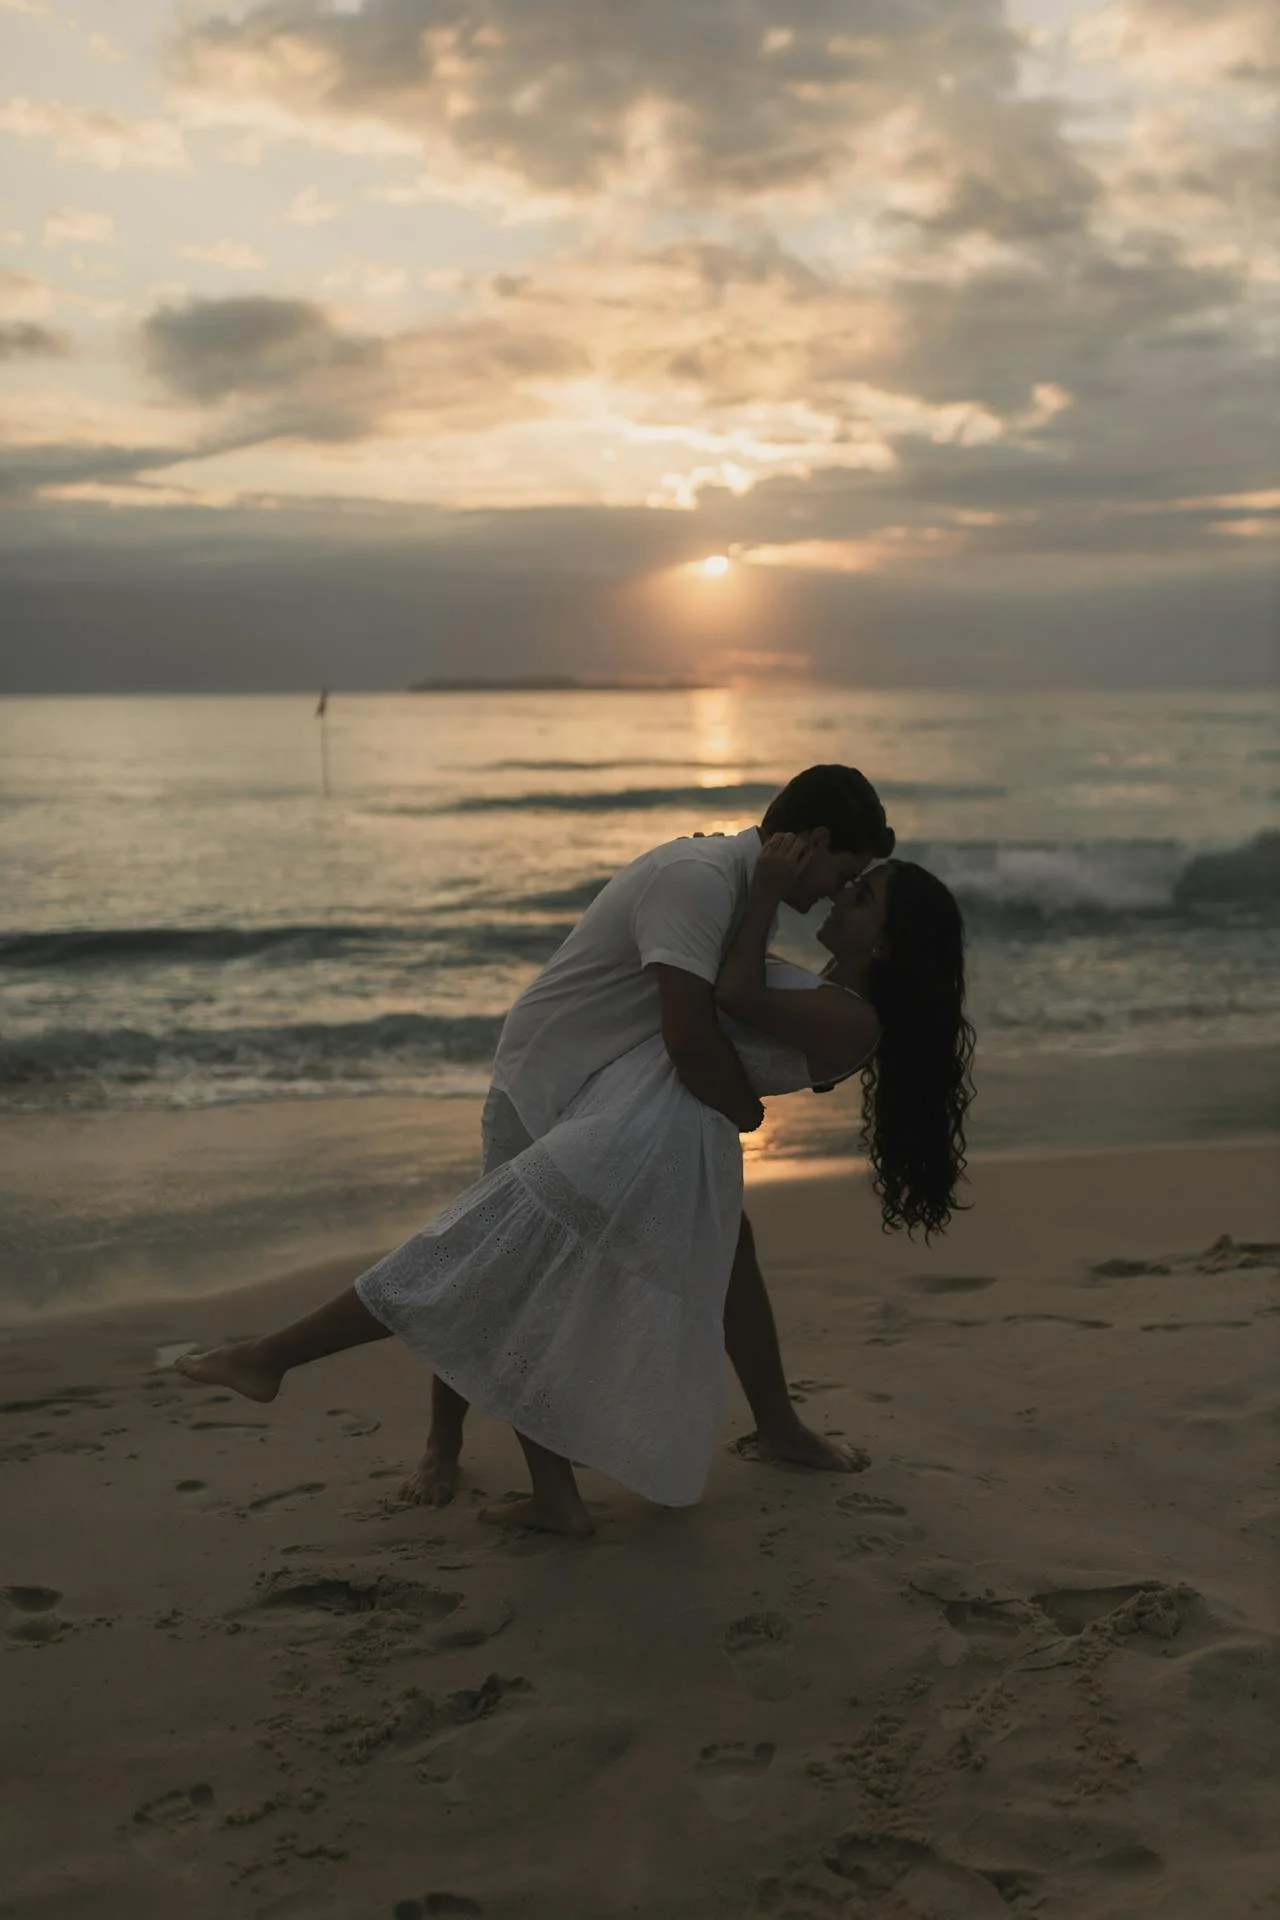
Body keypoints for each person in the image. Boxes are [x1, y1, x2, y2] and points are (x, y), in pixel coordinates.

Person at [175, 831, 975, 1538]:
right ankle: (746, 1435)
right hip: (649, 1129)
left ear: (892, 943)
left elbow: (729, 995)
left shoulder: (852, 1020)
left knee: (474, 1268)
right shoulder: (836, 994)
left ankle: (274, 1358)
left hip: (639, 1139)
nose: (842, 893)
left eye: (862, 896)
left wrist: (760, 888)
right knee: (516, 1269)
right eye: (853, 878)